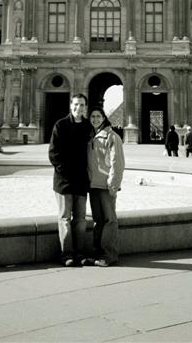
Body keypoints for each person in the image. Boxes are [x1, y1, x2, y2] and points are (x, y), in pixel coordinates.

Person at [48, 93, 94, 267]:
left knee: (81, 219)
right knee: (65, 218)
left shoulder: (89, 126)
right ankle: (66, 254)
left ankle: (79, 253)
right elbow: (53, 153)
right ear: (70, 105)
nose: (78, 108)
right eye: (76, 104)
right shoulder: (60, 125)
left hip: (81, 180)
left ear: (85, 107)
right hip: (64, 181)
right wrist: (64, 172)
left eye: (81, 105)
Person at [87, 107, 125, 267]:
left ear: (104, 118)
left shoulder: (112, 136)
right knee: (98, 220)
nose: (95, 119)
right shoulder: (90, 136)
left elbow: (118, 162)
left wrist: (113, 184)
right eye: (92, 116)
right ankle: (97, 253)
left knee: (109, 220)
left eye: (98, 116)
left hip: (105, 185)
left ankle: (110, 255)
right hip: (93, 185)